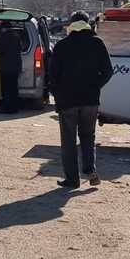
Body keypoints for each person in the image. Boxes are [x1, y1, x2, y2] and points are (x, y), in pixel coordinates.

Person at [49, 11, 113, 188]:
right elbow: (108, 71)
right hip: (90, 101)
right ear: (87, 24)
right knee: (88, 137)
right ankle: (90, 171)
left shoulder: (62, 45)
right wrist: (95, 86)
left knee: (68, 141)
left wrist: (57, 95)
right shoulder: (97, 43)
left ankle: (72, 180)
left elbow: (53, 76)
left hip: (67, 101)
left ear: (71, 25)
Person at [0, 21, 23, 114]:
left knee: (6, 89)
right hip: (15, 67)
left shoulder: (5, 37)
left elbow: (0, 50)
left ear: (4, 28)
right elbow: (20, 48)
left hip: (6, 68)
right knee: (13, 88)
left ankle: (7, 108)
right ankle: (14, 107)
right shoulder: (16, 36)